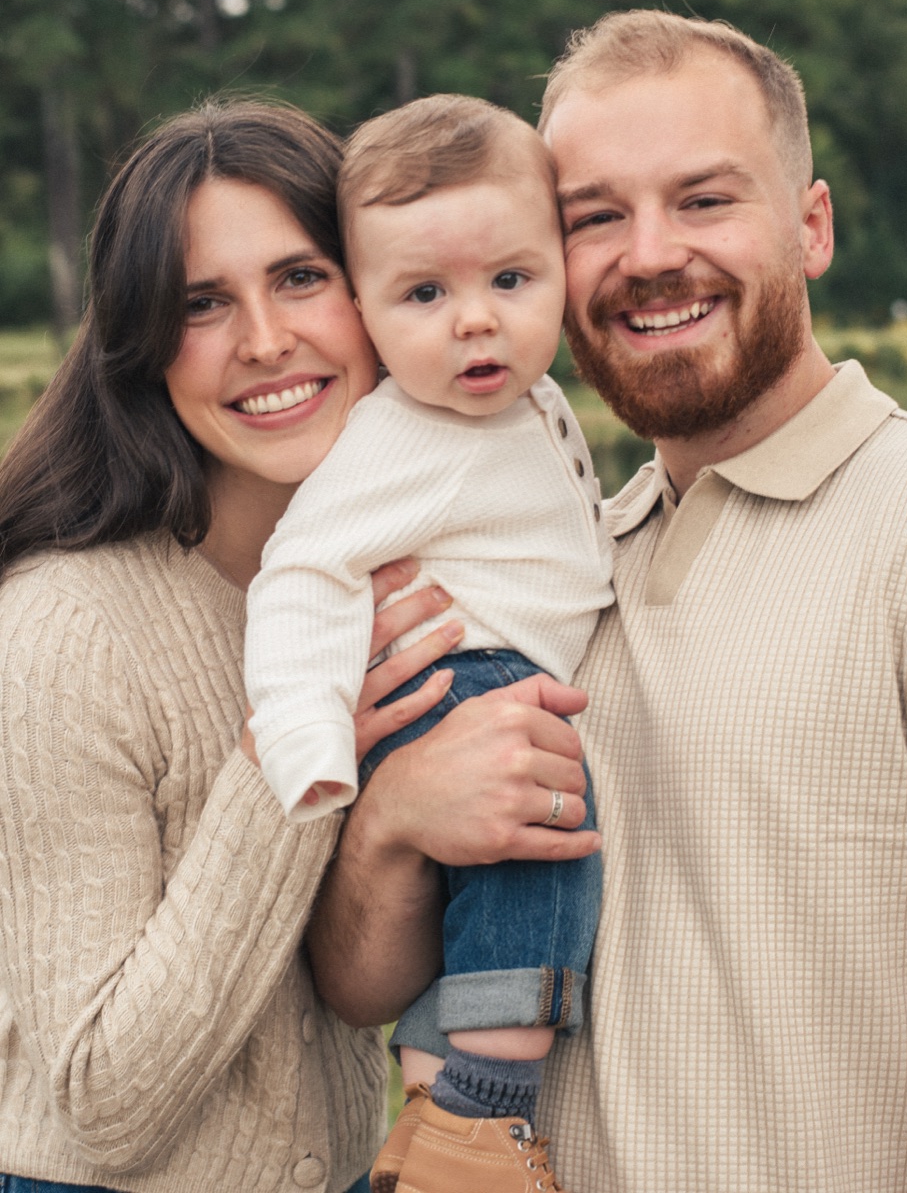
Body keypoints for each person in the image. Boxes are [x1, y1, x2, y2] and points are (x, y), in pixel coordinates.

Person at [311, 10, 907, 1193]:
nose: (648, 254)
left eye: (704, 199)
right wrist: (392, 817)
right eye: (595, 215)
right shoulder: (551, 565)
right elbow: (356, 987)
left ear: (811, 228)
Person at [0, 98, 597, 1193]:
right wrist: (292, 752)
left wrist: (397, 819)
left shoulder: (413, 590)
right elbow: (104, 1098)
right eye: (201, 302)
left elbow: (349, 993)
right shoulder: (63, 631)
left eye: (300, 277)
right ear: (142, 341)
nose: (265, 339)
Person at [245, 95, 613, 1193]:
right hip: (476, 679)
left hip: (504, 667)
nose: (475, 322)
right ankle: (483, 1116)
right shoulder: (403, 435)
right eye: (424, 294)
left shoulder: (525, 396)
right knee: (551, 840)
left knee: (492, 891)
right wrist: (308, 732)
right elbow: (304, 570)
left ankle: (427, 1114)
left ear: (558, 263)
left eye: (510, 280)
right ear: (363, 309)